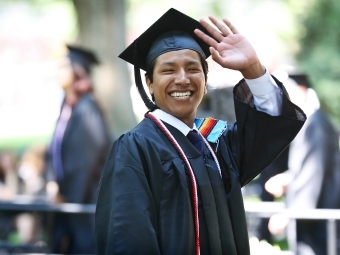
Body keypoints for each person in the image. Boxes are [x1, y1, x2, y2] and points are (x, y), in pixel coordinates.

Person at [95, 8, 306, 255]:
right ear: (150, 83)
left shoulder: (216, 141)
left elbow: (270, 129)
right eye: (168, 70)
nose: (183, 79)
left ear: (205, 82)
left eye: (193, 69)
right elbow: (128, 240)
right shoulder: (135, 148)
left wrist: (252, 69)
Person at [45, 45, 112, 254]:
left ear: (78, 71)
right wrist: (52, 183)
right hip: (67, 200)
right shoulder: (67, 108)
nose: (58, 71)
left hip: (84, 204)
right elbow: (53, 152)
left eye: (64, 66)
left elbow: (86, 162)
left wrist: (67, 197)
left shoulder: (87, 109)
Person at [265, 74, 340, 255]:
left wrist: (290, 213)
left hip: (319, 219)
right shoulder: (314, 121)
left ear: (300, 90)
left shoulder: (315, 124)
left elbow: (313, 174)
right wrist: (288, 178)